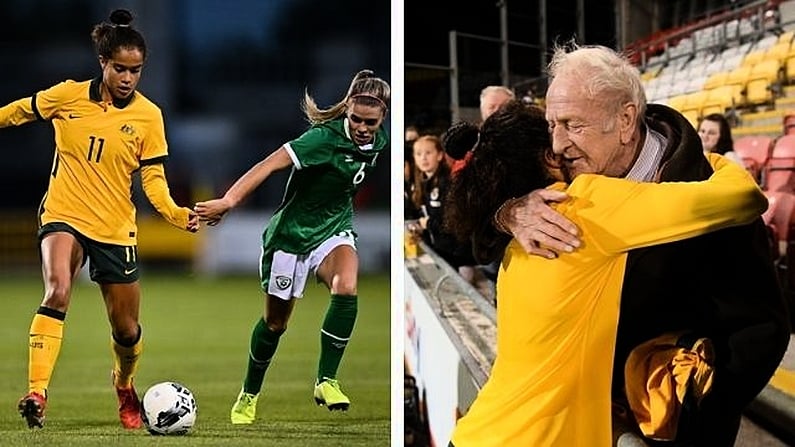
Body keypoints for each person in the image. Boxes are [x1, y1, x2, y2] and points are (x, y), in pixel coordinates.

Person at [495, 43, 790, 445]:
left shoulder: (712, 200)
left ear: (626, 120)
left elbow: (762, 330)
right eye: (552, 124)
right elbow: (465, 216)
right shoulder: (555, 170)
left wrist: (692, 410)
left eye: (572, 124)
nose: (558, 143)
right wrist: (509, 212)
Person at [444, 100, 767, 447]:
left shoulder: (519, 237)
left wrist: (504, 212)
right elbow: (744, 197)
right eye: (557, 132)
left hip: (482, 432)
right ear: (549, 157)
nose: (566, 142)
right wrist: (713, 161)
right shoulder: (583, 205)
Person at [0, 9, 199, 430]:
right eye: (120, 69)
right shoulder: (68, 95)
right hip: (63, 213)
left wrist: (175, 214)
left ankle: (125, 386)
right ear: (103, 63)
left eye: (136, 71)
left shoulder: (149, 116)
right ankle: (37, 391)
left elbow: (154, 179)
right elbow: (19, 110)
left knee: (126, 330)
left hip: (114, 227)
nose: (128, 78)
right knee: (57, 290)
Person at [193, 69, 390, 424]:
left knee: (347, 284)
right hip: (291, 236)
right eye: (356, 119)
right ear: (347, 111)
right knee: (275, 324)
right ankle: (248, 395)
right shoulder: (321, 139)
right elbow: (268, 164)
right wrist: (228, 200)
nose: (363, 128)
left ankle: (326, 380)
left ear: (383, 118)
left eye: (370, 122)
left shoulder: (381, 139)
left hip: (334, 229)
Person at [408, 135, 476, 275]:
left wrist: (428, 223)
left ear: (439, 155)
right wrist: (421, 228)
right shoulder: (421, 184)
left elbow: (454, 221)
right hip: (440, 251)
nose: (423, 158)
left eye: (428, 153)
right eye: (419, 154)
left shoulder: (448, 183)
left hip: (459, 256)